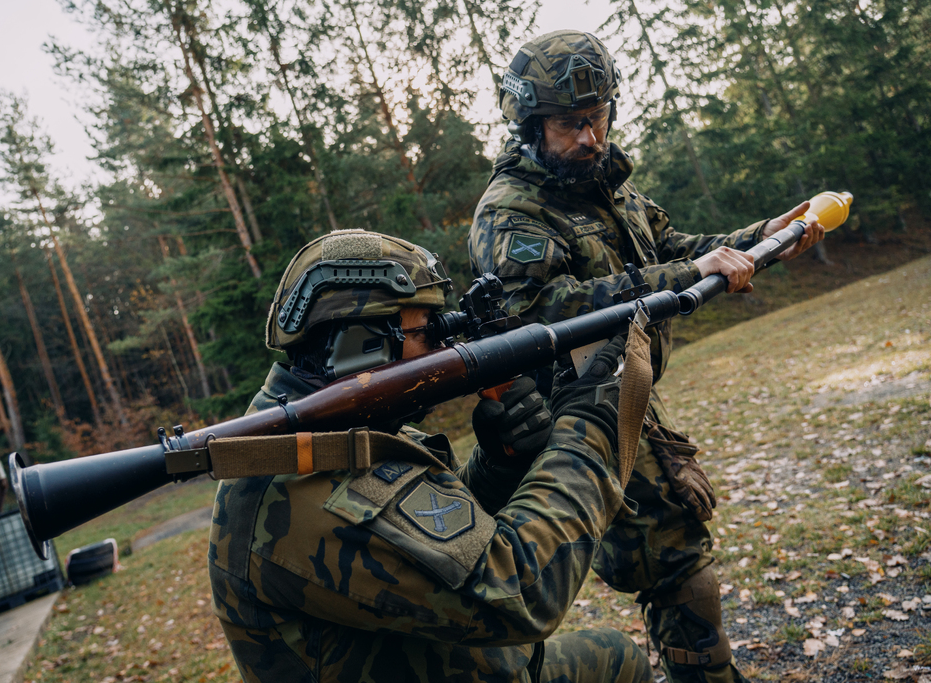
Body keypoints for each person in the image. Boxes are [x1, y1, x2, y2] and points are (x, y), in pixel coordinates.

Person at [468, 31, 826, 683]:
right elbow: (543, 310)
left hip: (625, 393)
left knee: (676, 549)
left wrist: (764, 237)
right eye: (571, 124)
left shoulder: (608, 184)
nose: (590, 137)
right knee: (674, 556)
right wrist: (684, 271)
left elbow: (675, 249)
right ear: (529, 124)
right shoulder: (511, 212)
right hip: (566, 418)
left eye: (598, 116)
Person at [208, 228, 653, 682]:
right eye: (427, 331)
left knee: (617, 656)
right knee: (618, 660)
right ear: (360, 346)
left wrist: (500, 462)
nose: (441, 349)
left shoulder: (334, 427)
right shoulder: (307, 478)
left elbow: (437, 542)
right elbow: (521, 590)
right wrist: (588, 424)